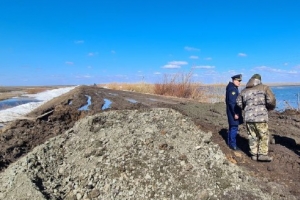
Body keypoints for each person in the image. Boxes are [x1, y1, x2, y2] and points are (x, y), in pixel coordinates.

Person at [236, 74, 276, 162]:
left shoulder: (244, 90)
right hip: (261, 117)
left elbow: (238, 102)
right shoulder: (264, 88)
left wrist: (246, 108)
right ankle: (262, 154)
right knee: (263, 135)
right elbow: (271, 100)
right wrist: (269, 107)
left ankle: (254, 154)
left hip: (249, 118)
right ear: (259, 80)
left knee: (252, 136)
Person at [225, 74, 243, 150]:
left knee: (232, 127)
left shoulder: (231, 87)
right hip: (233, 112)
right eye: (238, 81)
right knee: (234, 128)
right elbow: (232, 103)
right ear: (234, 80)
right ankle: (233, 145)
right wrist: (235, 113)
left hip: (231, 112)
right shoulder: (233, 89)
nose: (239, 82)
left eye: (240, 81)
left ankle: (230, 143)